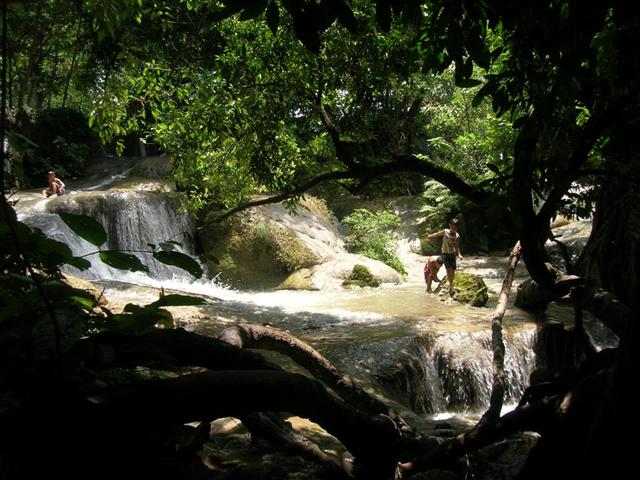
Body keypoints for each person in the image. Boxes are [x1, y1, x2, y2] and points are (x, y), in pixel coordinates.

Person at [425, 218, 463, 296]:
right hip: (445, 253)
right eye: (452, 227)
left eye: (455, 228)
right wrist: (430, 236)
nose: (453, 229)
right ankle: (451, 285)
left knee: (453, 270)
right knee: (448, 269)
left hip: (452, 254)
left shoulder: (457, 236)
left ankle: (451, 284)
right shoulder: (445, 231)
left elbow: (456, 247)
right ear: (450, 225)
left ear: (457, 228)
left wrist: (459, 254)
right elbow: (437, 234)